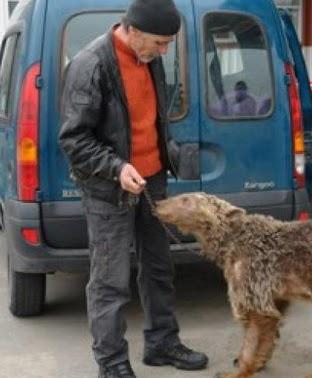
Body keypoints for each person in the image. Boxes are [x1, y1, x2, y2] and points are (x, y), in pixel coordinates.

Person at [59, 0, 208, 377]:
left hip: (152, 180)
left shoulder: (149, 57)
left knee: (159, 266)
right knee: (110, 280)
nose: (165, 52)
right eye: (160, 43)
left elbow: (148, 117)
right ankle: (111, 363)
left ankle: (161, 343)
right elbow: (74, 140)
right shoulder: (90, 65)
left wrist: (165, 154)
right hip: (109, 188)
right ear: (134, 30)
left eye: (168, 44)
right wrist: (117, 167)